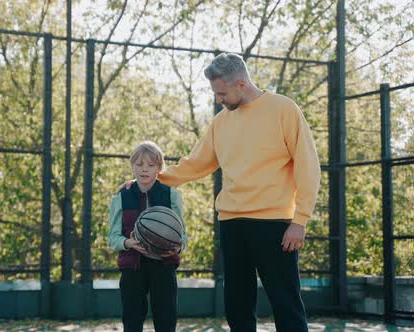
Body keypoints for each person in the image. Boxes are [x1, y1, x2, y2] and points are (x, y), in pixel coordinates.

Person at [123, 53, 320, 332]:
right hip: (232, 223)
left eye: (222, 93)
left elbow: (308, 166)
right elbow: (195, 165)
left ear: (241, 83)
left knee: (286, 304)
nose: (219, 99)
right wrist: (149, 178)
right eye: (216, 94)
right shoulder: (221, 122)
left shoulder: (284, 110)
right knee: (237, 306)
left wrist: (300, 220)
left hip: (276, 225)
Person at [108, 140, 188, 332]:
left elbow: (182, 236)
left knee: (166, 320)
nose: (145, 170)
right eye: (139, 164)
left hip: (164, 265)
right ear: (132, 166)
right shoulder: (121, 197)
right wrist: (128, 243)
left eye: (151, 165)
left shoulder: (172, 196)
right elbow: (113, 238)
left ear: (159, 168)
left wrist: (178, 246)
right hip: (132, 268)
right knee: (132, 320)